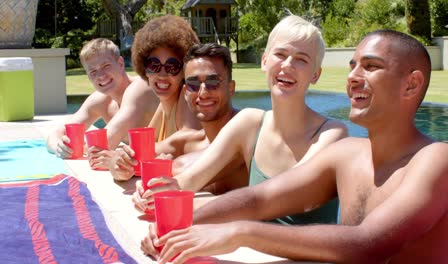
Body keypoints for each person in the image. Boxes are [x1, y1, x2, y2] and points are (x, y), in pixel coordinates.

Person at [144, 29, 448, 264]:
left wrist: (239, 233)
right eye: (353, 65)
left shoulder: (438, 161)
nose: (353, 76)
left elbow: (367, 245)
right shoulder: (348, 154)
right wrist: (179, 224)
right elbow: (259, 198)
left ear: (410, 84)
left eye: (370, 66)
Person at [139, 15, 347, 224]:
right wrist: (156, 192)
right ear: (264, 61)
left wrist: (190, 215)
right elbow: (189, 180)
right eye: (280, 54)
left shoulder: (332, 134)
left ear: (315, 75)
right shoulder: (249, 123)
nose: (288, 65)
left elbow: (270, 199)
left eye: (301, 59)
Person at [129, 43, 248, 213]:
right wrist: (121, 168)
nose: (203, 92)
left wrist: (164, 173)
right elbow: (133, 159)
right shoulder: (187, 141)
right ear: (185, 92)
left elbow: (192, 167)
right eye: (193, 84)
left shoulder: (247, 131)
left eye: (213, 81)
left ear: (231, 88)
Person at [108, 15, 202, 180]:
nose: (162, 74)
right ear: (144, 69)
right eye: (154, 65)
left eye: (172, 66)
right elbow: (143, 148)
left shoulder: (187, 96)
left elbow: (189, 138)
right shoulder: (164, 105)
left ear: (185, 69)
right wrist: (120, 163)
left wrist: (134, 157)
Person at [46, 38, 159, 166]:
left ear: (120, 63)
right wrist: (59, 147)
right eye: (93, 71)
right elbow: (56, 134)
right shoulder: (101, 100)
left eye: (106, 66)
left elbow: (102, 146)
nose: (100, 75)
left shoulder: (141, 88)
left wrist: (80, 147)